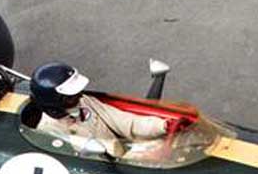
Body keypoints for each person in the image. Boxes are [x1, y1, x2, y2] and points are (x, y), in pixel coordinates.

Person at [27, 62, 168, 158]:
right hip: (111, 172)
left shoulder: (83, 102)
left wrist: (161, 125)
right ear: (55, 102)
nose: (80, 96)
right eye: (71, 96)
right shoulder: (47, 132)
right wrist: (142, 155)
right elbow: (91, 161)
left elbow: (122, 121)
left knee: (162, 145)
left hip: (125, 155)